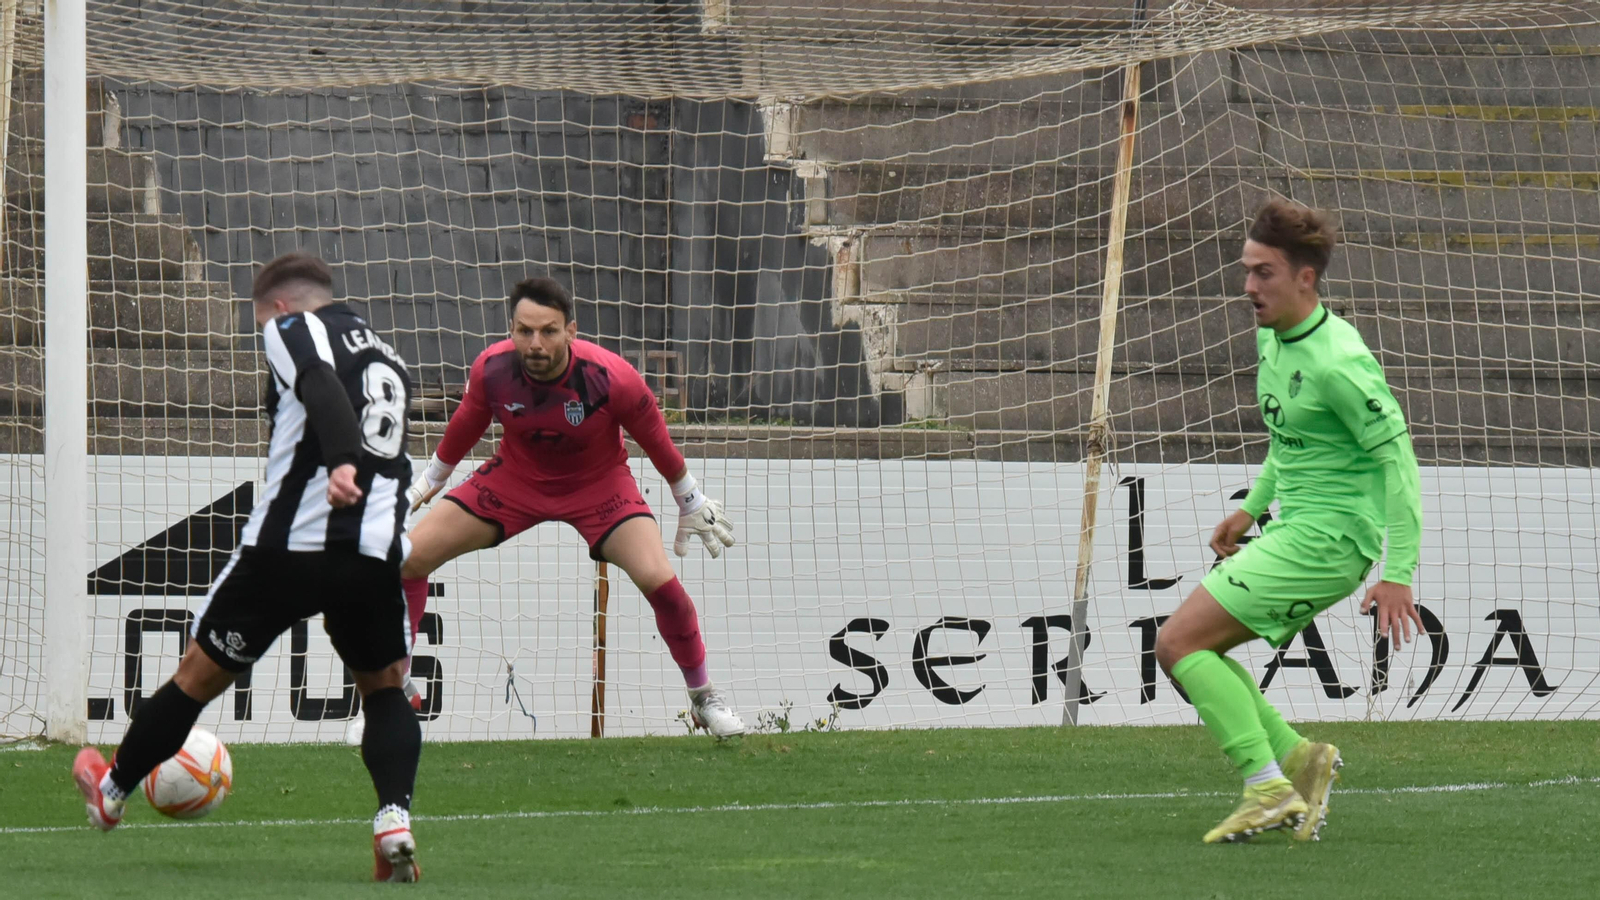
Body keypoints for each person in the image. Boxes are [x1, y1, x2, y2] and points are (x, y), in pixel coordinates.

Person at [71, 252, 426, 882]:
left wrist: (341, 461)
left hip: (287, 550)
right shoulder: (388, 356)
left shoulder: (292, 329)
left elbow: (316, 383)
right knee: (384, 688)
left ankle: (114, 793)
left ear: (280, 306)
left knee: (195, 678)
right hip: (372, 554)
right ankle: (393, 819)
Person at [1153, 199, 1424, 843]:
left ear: (1306, 277)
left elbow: (1401, 462)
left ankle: (1268, 786)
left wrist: (1399, 573)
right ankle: (1298, 761)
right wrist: (1253, 504)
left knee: (1176, 643)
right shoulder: (1272, 335)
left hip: (1331, 540)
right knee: (1200, 647)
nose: (1248, 286)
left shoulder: (1339, 362)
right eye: (1247, 271)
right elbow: (1287, 436)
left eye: (1264, 273)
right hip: (1298, 528)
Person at [401, 275, 745, 737]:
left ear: (571, 331)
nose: (535, 343)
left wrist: (690, 500)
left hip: (600, 488)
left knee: (661, 583)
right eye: (524, 331)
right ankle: (393, 692)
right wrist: (430, 479)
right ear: (512, 330)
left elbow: (657, 440)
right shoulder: (492, 369)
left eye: (548, 331)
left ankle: (704, 698)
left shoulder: (612, 377)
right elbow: (467, 422)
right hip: (515, 481)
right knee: (405, 558)